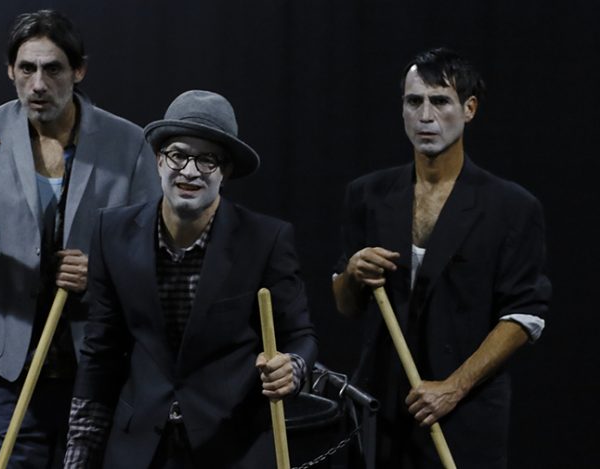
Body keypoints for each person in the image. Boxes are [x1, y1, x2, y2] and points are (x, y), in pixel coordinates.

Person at [0, 10, 160, 467]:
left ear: (79, 70)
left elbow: (156, 255)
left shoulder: (128, 143)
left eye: (52, 69)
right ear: (10, 71)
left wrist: (102, 272)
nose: (38, 84)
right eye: (26, 69)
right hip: (11, 365)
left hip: (97, 364)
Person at [63, 90, 318, 468]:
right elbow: (101, 354)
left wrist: (291, 369)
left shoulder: (265, 239)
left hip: (233, 446)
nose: (190, 171)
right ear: (158, 160)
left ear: (225, 171)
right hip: (139, 448)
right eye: (178, 155)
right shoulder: (112, 233)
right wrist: (79, 456)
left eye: (207, 160)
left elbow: (300, 335)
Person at [332, 48, 551, 468]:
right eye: (414, 102)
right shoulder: (367, 194)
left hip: (463, 414)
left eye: (440, 101)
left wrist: (454, 387)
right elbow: (345, 304)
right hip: (379, 412)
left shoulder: (511, 206)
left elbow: (524, 315)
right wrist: (353, 273)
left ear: (469, 109)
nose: (425, 116)